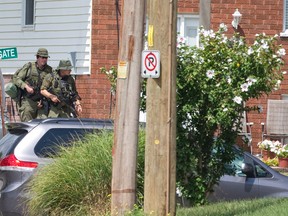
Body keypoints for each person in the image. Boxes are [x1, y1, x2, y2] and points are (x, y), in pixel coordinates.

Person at [12, 48, 53, 121]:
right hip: (28, 100)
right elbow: (16, 78)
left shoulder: (49, 70)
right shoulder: (29, 66)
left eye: (46, 58)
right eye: (42, 57)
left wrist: (43, 99)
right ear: (37, 57)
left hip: (41, 102)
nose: (44, 59)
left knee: (43, 124)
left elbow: (50, 87)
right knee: (27, 124)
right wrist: (26, 86)